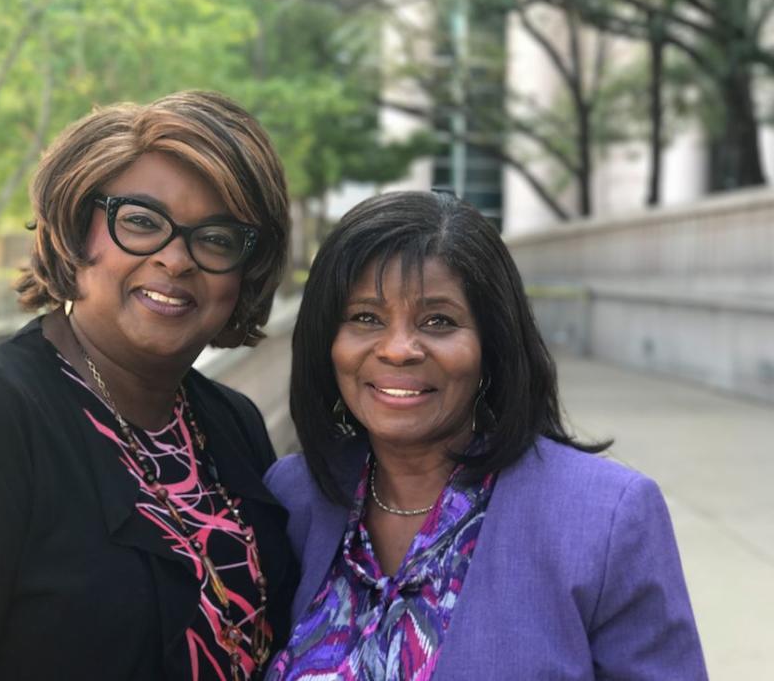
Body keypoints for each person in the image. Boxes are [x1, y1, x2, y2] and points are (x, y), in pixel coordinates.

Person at [0, 91, 298, 681]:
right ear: (77, 235)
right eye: (140, 221)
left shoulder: (230, 422)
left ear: (243, 270)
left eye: (217, 238)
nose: (177, 260)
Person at [264, 190, 707, 680]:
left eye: (438, 321)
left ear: (490, 345)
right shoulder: (293, 499)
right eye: (366, 317)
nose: (398, 350)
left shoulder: (606, 518)